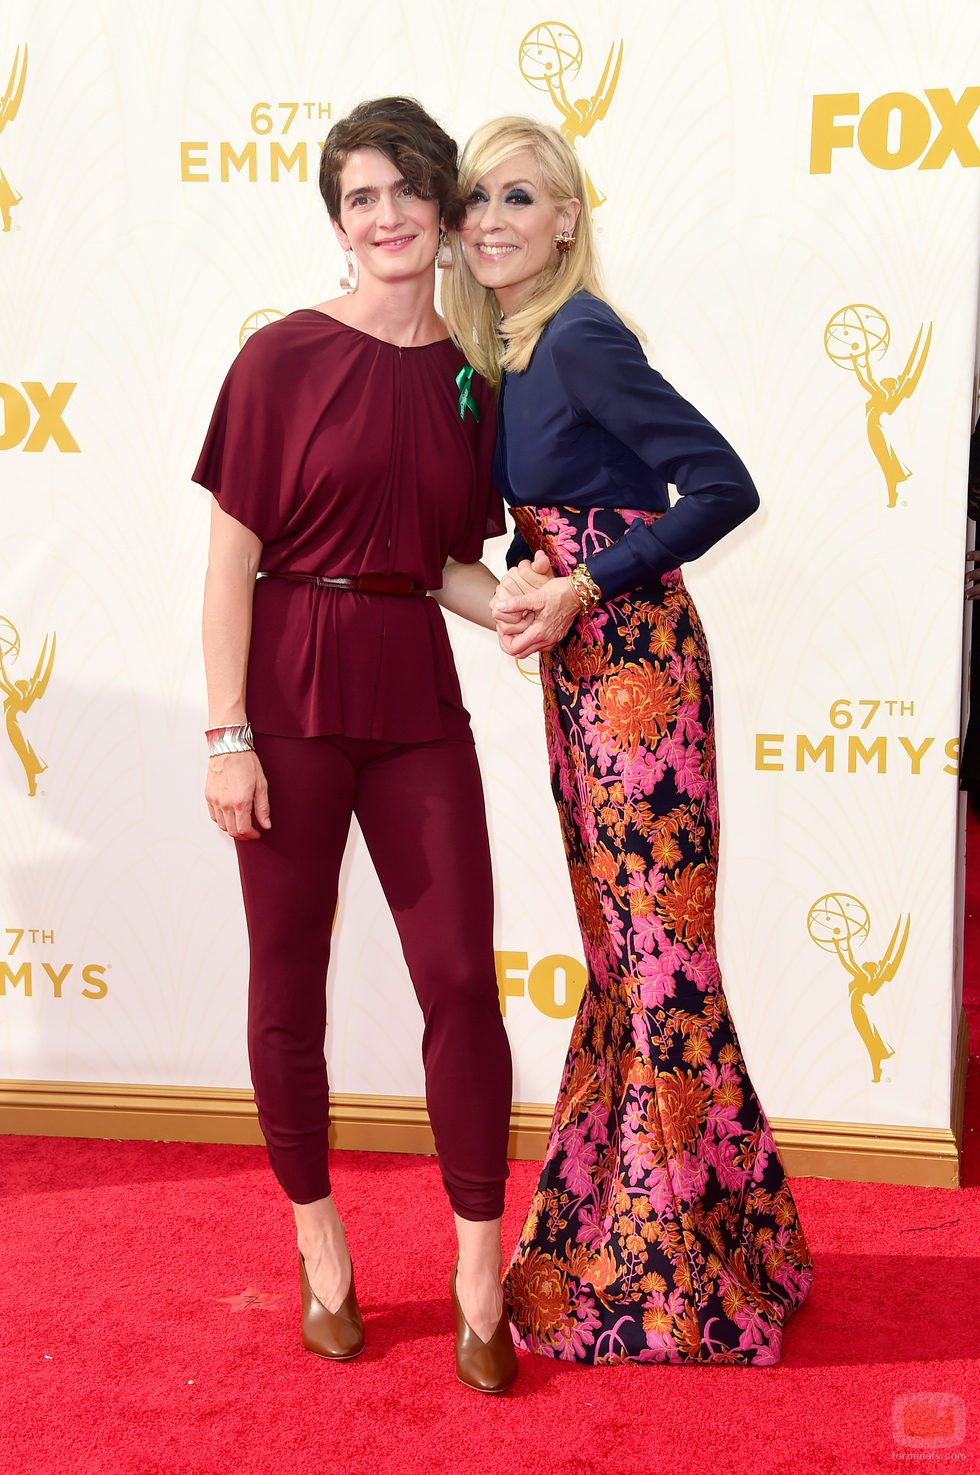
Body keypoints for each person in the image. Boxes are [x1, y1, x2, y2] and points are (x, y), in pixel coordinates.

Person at [442, 116, 813, 1365]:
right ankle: (692, 1225)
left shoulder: (586, 335)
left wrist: (584, 585)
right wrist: (525, 567)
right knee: (625, 955)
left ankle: (681, 1268)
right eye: (474, 197)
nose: (490, 216)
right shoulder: (511, 349)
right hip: (582, 672)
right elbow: (560, 505)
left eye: (518, 195)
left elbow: (719, 485)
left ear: (564, 217)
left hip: (637, 671)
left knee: (658, 959)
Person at [194, 97, 519, 1394]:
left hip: (412, 695)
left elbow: (450, 570)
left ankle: (480, 1267)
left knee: (458, 976)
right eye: (358, 198)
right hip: (284, 694)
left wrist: (557, 604)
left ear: (442, 208)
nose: (384, 217)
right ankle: (319, 1241)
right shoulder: (279, 357)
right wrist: (229, 733)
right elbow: (229, 563)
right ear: (339, 219)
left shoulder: (474, 377)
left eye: (403, 193)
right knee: (289, 972)